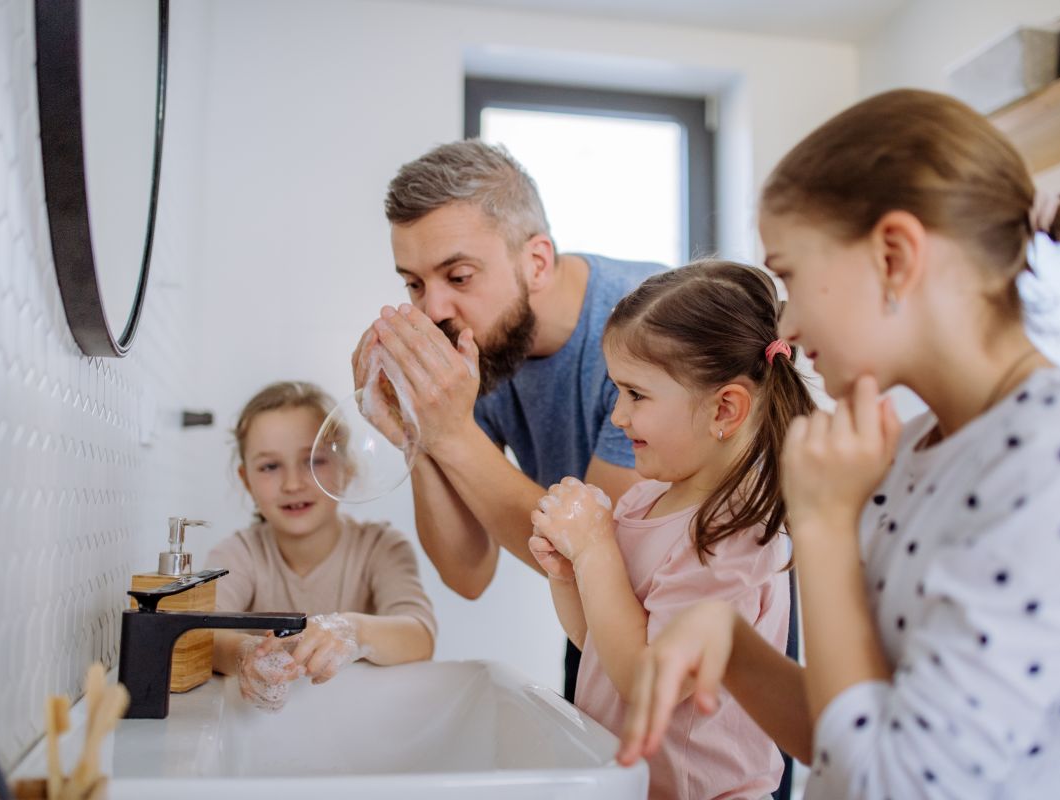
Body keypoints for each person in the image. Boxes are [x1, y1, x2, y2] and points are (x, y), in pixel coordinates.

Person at [616, 89, 1060, 799]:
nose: (782, 326)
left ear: (894, 255)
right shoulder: (912, 451)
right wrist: (730, 640)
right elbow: (848, 739)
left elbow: (895, 785)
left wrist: (821, 524)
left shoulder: (1059, 452)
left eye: (787, 273)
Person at [355, 140, 663, 699]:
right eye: (414, 283)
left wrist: (450, 431)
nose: (434, 311)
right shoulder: (482, 350)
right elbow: (468, 573)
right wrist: (417, 437)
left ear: (537, 262)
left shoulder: (649, 332)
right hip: (590, 628)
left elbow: (607, 552)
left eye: (460, 276)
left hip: (697, 627)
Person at [529, 260, 812, 799]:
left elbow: (645, 680)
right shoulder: (646, 498)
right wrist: (568, 576)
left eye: (635, 394)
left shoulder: (736, 536)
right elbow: (599, 645)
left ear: (724, 408)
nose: (617, 416)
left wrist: (594, 552)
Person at [206, 380, 437, 711]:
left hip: (364, 724)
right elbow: (200, 634)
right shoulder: (238, 555)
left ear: (347, 467)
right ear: (246, 480)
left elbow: (419, 637)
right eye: (270, 466)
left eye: (314, 461)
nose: (293, 483)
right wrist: (244, 653)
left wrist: (353, 630)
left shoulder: (381, 547)